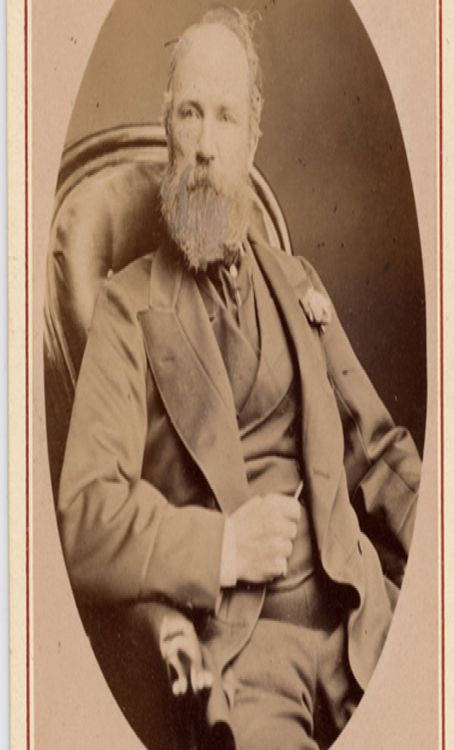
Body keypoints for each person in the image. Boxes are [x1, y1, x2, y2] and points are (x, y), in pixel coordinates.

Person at [57, 6, 421, 749]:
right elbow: (86, 515)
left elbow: (380, 452)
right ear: (169, 128)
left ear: (252, 136)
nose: (204, 145)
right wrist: (221, 545)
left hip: (363, 616)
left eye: (225, 117)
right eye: (189, 113)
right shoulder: (127, 308)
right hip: (247, 658)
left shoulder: (298, 281)